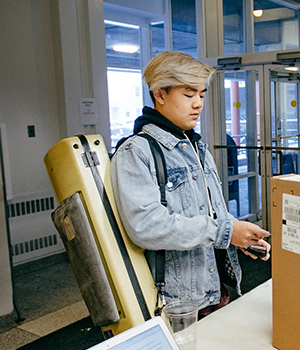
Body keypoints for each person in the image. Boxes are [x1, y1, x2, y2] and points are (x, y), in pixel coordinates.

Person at [110, 51, 270, 318]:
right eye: (188, 94)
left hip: (215, 290)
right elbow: (146, 226)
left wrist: (238, 236)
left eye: (202, 94)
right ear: (160, 94)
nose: (198, 103)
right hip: (176, 303)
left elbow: (211, 212)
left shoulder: (197, 147)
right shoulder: (136, 152)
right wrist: (225, 232)